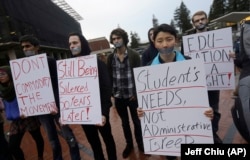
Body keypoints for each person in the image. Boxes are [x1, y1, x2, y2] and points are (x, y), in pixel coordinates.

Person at [137, 23, 214, 160]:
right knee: (171, 156)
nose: (165, 44)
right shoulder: (148, 70)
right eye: (160, 41)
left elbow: (201, 97)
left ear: (176, 40)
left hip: (191, 126)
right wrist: (143, 111)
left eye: (169, 39)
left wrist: (207, 110)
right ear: (154, 43)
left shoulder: (190, 63)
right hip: (166, 131)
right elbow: (147, 102)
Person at [19, 35, 81, 160]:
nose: (25, 49)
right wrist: (26, 108)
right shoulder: (22, 68)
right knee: (52, 140)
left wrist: (58, 103)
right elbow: (25, 90)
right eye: (23, 47)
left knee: (68, 135)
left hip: (57, 108)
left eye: (28, 46)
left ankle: (76, 158)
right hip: (42, 111)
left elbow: (61, 84)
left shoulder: (50, 62)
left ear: (36, 47)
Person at [68, 32, 117, 160]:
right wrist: (68, 112)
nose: (72, 46)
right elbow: (69, 92)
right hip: (84, 115)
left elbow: (106, 88)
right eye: (70, 44)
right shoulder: (69, 68)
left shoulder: (97, 63)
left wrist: (104, 113)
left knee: (108, 140)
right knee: (94, 144)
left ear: (82, 44)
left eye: (75, 42)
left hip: (100, 112)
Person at [181, 10, 222, 144]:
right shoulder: (187, 41)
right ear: (193, 24)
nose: (200, 22)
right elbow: (182, 62)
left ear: (207, 19)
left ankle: (213, 134)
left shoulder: (218, 37)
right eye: (197, 20)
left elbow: (224, 56)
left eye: (202, 19)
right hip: (196, 86)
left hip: (214, 82)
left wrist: (231, 55)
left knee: (213, 111)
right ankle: (204, 138)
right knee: (199, 113)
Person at [107, 28, 144, 158]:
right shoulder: (110, 57)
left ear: (124, 39)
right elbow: (109, 76)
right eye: (114, 39)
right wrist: (112, 92)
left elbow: (140, 75)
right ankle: (129, 144)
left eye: (118, 38)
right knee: (124, 123)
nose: (116, 41)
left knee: (137, 122)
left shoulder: (134, 55)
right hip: (119, 97)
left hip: (132, 96)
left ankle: (140, 143)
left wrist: (137, 92)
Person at [0, 66, 44, 160]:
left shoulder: (19, 85)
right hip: (16, 120)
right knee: (12, 146)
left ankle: (40, 156)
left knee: (37, 138)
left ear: (10, 75)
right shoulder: (2, 90)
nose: (1, 76)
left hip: (28, 117)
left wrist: (28, 109)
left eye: (3, 74)